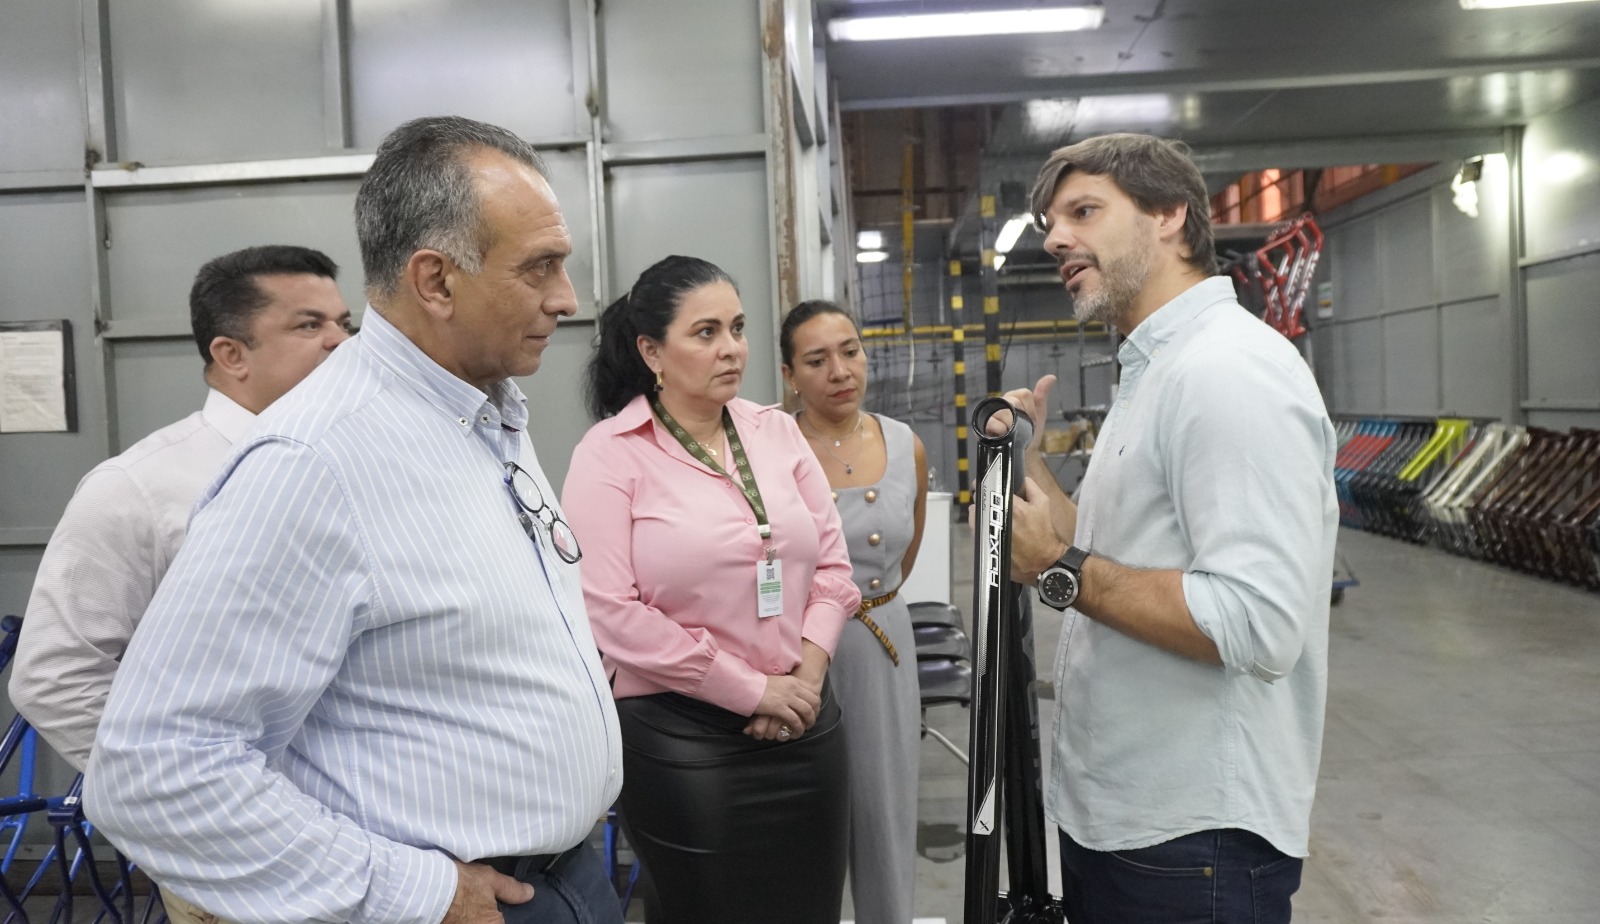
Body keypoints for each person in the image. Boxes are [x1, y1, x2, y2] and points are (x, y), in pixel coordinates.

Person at [83, 116, 623, 924]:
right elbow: (154, 770)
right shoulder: (315, 462)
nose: (566, 298)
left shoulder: (483, 415)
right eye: (538, 267)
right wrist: (415, 892)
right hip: (452, 903)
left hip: (563, 880)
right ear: (435, 281)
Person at [997, 133, 1338, 923]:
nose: (1055, 239)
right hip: (1127, 819)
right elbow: (1115, 552)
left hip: (1194, 842)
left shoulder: (1226, 371)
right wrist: (1030, 464)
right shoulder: (1155, 368)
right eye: (1051, 223)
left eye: (1084, 212)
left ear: (1169, 216)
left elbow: (1256, 623)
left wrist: (1057, 568)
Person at [11, 244, 351, 924]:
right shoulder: (141, 488)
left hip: (382, 833)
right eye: (309, 325)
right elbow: (55, 673)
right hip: (245, 859)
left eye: (346, 324)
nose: (341, 342)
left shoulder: (356, 463)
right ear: (231, 354)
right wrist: (192, 802)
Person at [562, 256, 860, 924]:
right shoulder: (611, 453)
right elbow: (609, 610)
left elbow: (834, 570)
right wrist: (751, 691)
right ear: (651, 352)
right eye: (706, 332)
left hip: (805, 718)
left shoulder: (776, 431)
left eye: (738, 328)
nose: (731, 348)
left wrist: (805, 681)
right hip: (683, 738)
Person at [779, 299, 928, 924]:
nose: (840, 371)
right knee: (797, 820)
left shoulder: (905, 444)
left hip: (881, 640)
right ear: (790, 374)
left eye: (850, 351)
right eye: (817, 360)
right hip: (793, 650)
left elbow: (903, 556)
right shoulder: (767, 447)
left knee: (885, 812)